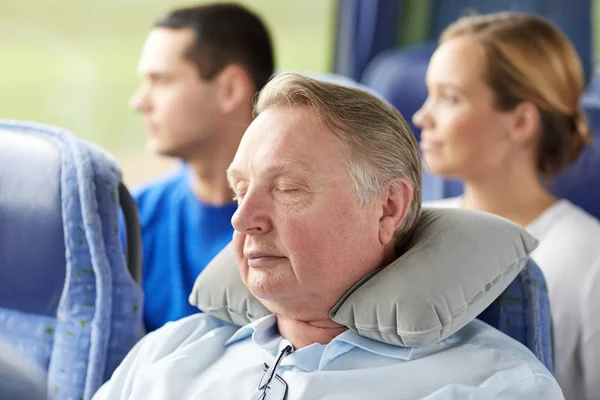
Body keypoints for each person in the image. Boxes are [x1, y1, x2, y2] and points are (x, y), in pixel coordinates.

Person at [94, 73, 562, 399]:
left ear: (388, 207)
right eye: (240, 191)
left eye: (288, 188)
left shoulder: (494, 387)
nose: (243, 219)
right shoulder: (167, 354)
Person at [413, 12, 600, 400]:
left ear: (520, 122)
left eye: (450, 98)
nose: (421, 116)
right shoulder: (416, 229)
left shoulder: (588, 257)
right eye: (430, 94)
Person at [128, 3, 274, 332]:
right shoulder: (134, 218)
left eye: (161, 81)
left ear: (230, 89)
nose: (139, 102)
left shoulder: (291, 234)